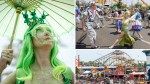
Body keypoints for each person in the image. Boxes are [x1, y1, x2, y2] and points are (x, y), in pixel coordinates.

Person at [1, 11, 73, 84]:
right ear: (30, 41)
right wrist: (1, 66)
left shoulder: (66, 73)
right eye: (39, 30)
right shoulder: (20, 74)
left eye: (49, 30)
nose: (47, 33)